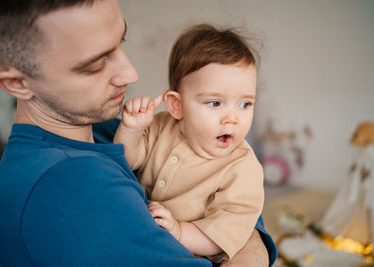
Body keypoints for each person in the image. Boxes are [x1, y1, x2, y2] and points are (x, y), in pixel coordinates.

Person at [0, 0, 276, 266]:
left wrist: (250, 237)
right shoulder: (70, 186)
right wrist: (250, 247)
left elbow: (243, 208)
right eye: (96, 63)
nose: (131, 73)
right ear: (18, 85)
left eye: (120, 42)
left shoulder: (100, 129)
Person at [114, 24, 265, 264]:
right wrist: (131, 129)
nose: (232, 118)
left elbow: (226, 235)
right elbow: (126, 161)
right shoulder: (160, 126)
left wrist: (180, 231)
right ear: (177, 105)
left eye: (245, 104)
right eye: (215, 103)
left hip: (193, 255)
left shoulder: (242, 169)